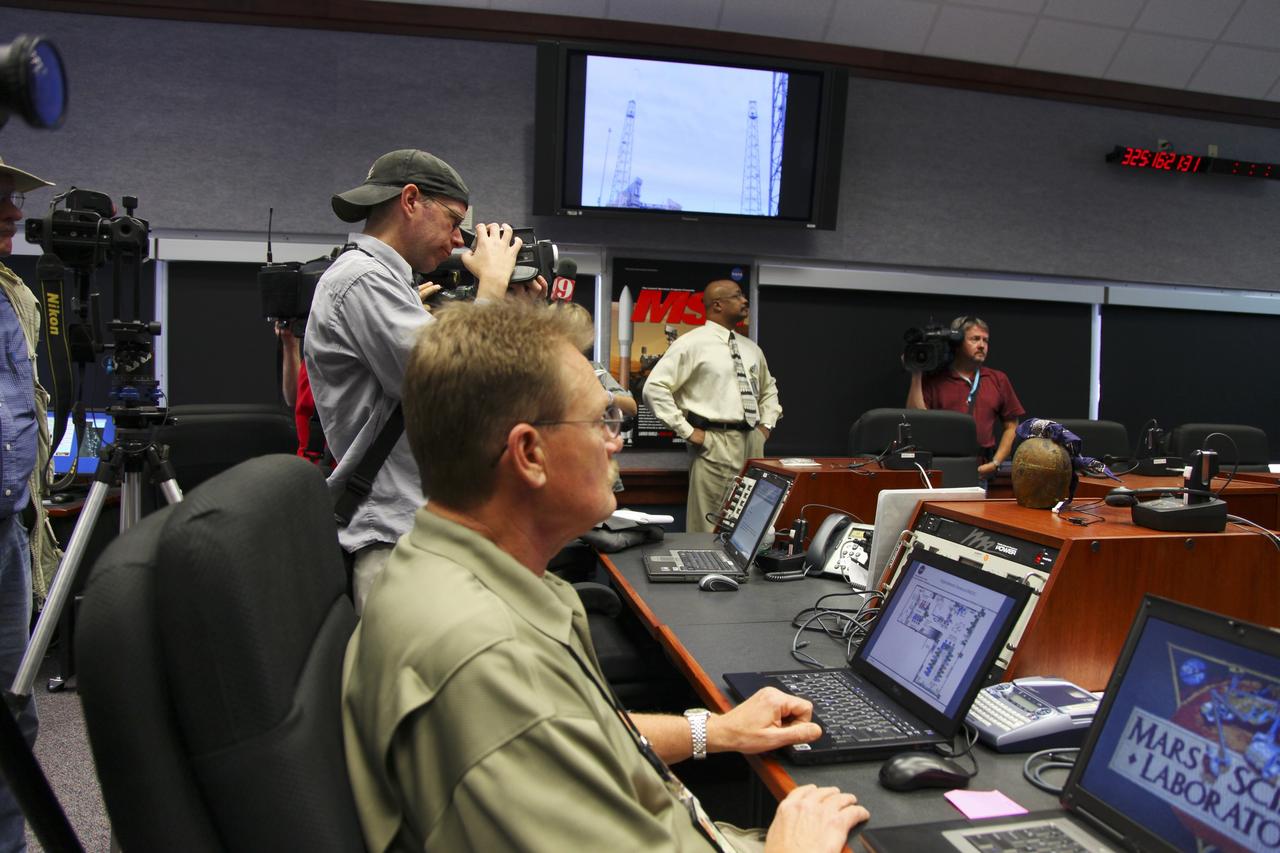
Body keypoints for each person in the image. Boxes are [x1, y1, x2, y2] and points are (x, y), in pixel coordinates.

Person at [343, 299, 868, 852]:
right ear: (529, 453)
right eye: (601, 421)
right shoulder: (484, 658)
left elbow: (577, 734)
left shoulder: (462, 574)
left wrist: (713, 730)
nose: (616, 440)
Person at [303, 148, 522, 614]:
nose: (458, 240)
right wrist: (492, 285)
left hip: (418, 531)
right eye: (453, 221)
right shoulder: (361, 279)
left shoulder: (389, 283)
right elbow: (457, 385)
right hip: (396, 541)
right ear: (410, 200)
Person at [0, 154, 56, 852]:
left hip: (9, 526)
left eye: (14, 197)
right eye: (0, 197)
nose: (15, 211)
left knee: (14, 715)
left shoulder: (13, 293)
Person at [643, 279, 781, 532]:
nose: (745, 300)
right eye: (737, 296)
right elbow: (654, 388)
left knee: (751, 525)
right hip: (714, 442)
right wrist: (687, 431)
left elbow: (768, 389)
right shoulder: (691, 344)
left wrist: (765, 427)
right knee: (709, 526)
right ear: (717, 305)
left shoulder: (751, 349)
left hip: (752, 441)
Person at [905, 315, 1025, 478]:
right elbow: (917, 418)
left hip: (980, 469)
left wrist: (996, 463)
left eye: (985, 340)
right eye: (975, 339)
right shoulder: (936, 380)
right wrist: (916, 373)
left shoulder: (998, 379)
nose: (982, 345)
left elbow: (1012, 426)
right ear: (957, 343)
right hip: (941, 466)